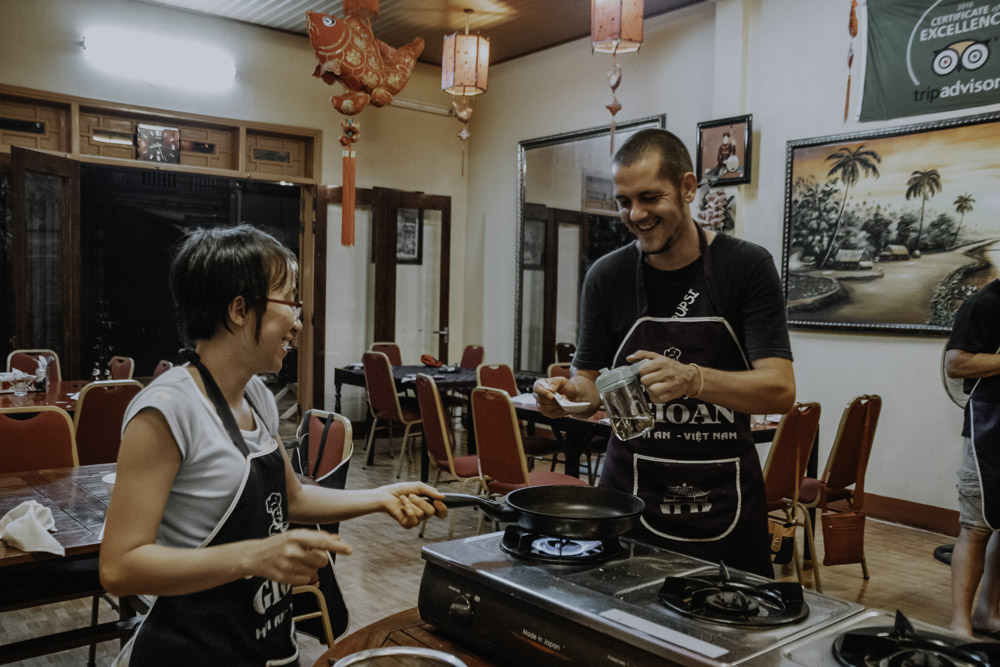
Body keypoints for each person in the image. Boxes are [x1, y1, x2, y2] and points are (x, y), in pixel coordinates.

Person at [100, 224, 447, 665]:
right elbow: (118, 567)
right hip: (189, 652)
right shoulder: (166, 411)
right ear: (240, 310)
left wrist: (379, 497)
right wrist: (253, 555)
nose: (298, 322)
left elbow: (293, 497)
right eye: (290, 302)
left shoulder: (257, 395)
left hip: (264, 646)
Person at [534, 129, 794, 577]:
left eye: (650, 197)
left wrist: (694, 380)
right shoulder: (606, 276)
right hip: (628, 501)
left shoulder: (746, 267)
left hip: (725, 504)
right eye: (623, 201)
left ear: (688, 188)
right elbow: (589, 385)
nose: (635, 214)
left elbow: (779, 390)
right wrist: (563, 397)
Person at [946, 279, 1000, 638]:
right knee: (977, 527)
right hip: (989, 430)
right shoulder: (983, 305)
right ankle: (959, 624)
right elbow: (957, 363)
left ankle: (988, 612)